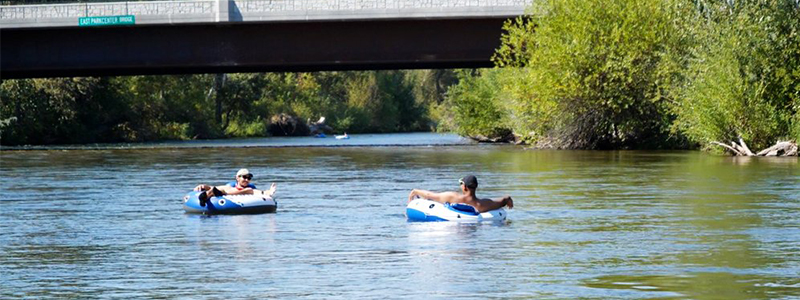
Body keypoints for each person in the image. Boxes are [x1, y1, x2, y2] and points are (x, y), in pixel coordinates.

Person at [407, 175, 513, 213]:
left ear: (464, 187)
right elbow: (503, 200)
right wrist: (509, 199)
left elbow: (430, 195)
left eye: (461, 183)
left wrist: (415, 191)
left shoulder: (453, 197)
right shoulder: (483, 204)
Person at [193, 168, 277, 206]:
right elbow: (218, 187)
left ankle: (208, 195)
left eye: (249, 178)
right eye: (244, 177)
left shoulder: (250, 188)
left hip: (232, 194)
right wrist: (204, 186)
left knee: (249, 190)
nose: (247, 180)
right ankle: (205, 196)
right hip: (225, 194)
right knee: (221, 189)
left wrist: (269, 192)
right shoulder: (230, 185)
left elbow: (258, 192)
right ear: (237, 178)